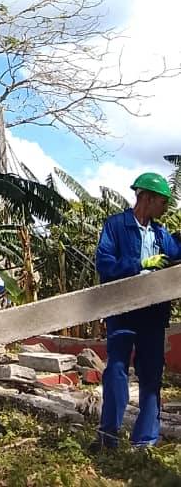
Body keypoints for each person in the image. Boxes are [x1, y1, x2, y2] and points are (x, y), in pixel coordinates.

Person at [94, 172, 181, 450]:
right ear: (146, 197)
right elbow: (105, 264)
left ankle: (144, 441)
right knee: (117, 371)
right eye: (163, 202)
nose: (165, 208)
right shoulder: (116, 226)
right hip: (122, 312)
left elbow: (176, 253)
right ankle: (108, 437)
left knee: (152, 374)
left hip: (153, 314)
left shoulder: (161, 234)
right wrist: (140, 263)